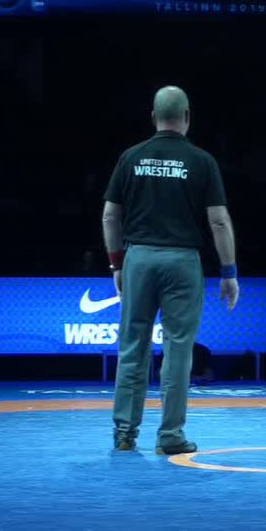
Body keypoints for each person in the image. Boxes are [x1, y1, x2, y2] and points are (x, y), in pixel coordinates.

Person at [102, 85, 239, 454]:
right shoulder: (202, 161)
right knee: (178, 350)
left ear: (153, 117)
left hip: (139, 258)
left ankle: (125, 433)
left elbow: (110, 216)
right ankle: (170, 437)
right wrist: (229, 272)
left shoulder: (131, 157)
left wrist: (117, 263)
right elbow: (219, 222)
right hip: (182, 262)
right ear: (187, 117)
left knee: (133, 346)